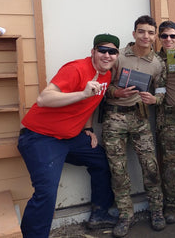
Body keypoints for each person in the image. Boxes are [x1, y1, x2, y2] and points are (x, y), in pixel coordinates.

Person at [18, 34, 120, 238]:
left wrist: (88, 130)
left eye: (112, 51)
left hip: (71, 138)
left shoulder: (106, 76)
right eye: (102, 50)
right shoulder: (76, 69)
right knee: (46, 193)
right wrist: (82, 93)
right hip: (41, 137)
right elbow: (44, 98)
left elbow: (91, 104)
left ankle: (99, 214)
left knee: (103, 161)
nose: (107, 55)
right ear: (93, 52)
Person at [102, 15, 166, 237]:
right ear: (134, 34)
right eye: (141, 31)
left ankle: (156, 211)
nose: (146, 36)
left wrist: (155, 100)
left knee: (150, 167)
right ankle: (125, 215)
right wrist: (116, 92)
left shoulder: (158, 63)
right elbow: (104, 85)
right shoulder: (117, 57)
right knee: (118, 171)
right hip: (114, 118)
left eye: (150, 32)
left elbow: (162, 91)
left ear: (155, 35)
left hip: (140, 120)